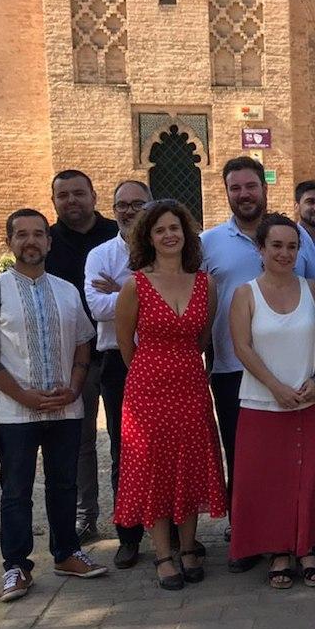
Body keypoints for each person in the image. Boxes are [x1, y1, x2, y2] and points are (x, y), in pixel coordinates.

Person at [0, 208, 109, 603]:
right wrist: (24, 396)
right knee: (16, 490)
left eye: (38, 235)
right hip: (14, 414)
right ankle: (15, 566)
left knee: (64, 485)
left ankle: (65, 553)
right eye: (21, 235)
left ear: (48, 241)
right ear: (9, 242)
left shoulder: (66, 290)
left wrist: (76, 385)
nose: (30, 241)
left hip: (65, 409)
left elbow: (83, 341)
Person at [200, 157, 315, 572]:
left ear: (264, 189)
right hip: (234, 367)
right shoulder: (209, 242)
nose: (244, 194)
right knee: (246, 459)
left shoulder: (297, 235)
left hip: (296, 369)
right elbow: (199, 299)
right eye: (236, 188)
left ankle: (293, 537)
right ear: (227, 192)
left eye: (251, 186)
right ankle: (248, 537)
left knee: (294, 459)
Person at [114, 200, 226, 590]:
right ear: (148, 236)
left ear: (186, 234)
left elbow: (202, 336)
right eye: (160, 229)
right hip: (147, 391)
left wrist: (181, 369)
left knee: (191, 463)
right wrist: (151, 373)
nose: (168, 235)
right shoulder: (135, 285)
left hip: (192, 387)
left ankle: (190, 544)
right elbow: (125, 343)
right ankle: (164, 553)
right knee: (156, 468)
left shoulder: (205, 283)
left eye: (175, 228)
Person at [228, 214, 315, 589]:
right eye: (276, 246)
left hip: (308, 400)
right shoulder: (246, 293)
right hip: (262, 402)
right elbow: (242, 347)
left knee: (307, 476)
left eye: (292, 246)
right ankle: (278, 551)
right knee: (268, 481)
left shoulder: (314, 288)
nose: (285, 253)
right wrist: (276, 387)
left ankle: (306, 547)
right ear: (260, 249)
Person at [46, 170, 119, 543]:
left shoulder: (116, 235)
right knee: (81, 439)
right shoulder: (48, 243)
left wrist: (121, 290)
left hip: (120, 352)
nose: (71, 201)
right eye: (63, 195)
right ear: (54, 201)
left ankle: (128, 519)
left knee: (126, 439)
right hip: (75, 356)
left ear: (94, 196)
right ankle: (85, 516)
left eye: (78, 193)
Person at [84, 180, 151, 568]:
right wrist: (142, 292)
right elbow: (97, 306)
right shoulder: (100, 255)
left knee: (163, 446)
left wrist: (122, 290)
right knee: (124, 449)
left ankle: (173, 531)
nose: (127, 211)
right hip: (118, 364)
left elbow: (178, 301)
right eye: (120, 205)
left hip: (162, 360)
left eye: (136, 204)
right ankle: (128, 534)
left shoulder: (165, 251)